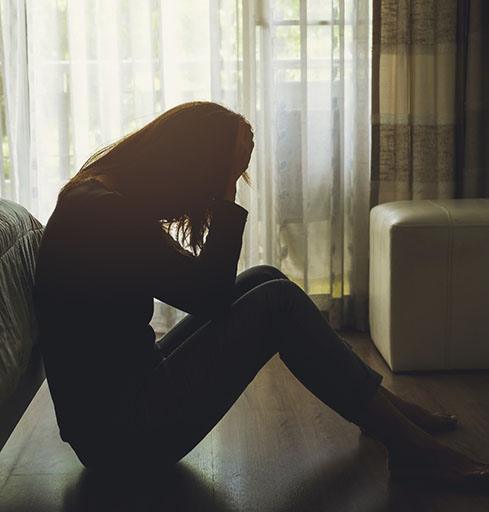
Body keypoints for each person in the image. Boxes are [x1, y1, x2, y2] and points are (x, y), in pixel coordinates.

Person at [33, 101, 489, 490]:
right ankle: (408, 446)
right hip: (126, 439)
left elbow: (198, 289)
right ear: (189, 164)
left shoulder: (100, 197)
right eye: (222, 174)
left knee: (263, 278)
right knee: (278, 304)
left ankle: (380, 409)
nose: (217, 188)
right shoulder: (106, 214)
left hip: (115, 419)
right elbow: (208, 296)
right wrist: (226, 196)